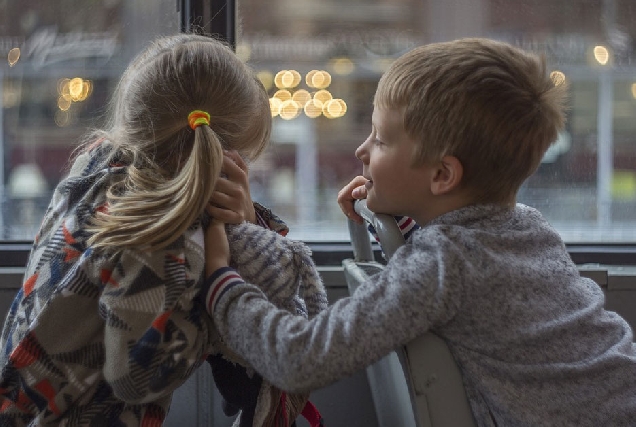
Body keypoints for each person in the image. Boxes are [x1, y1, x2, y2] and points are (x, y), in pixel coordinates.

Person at [200, 37, 636, 426]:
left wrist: (223, 281)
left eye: (380, 139)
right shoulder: (526, 226)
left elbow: (299, 358)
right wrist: (405, 219)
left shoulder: (439, 268)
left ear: (443, 175)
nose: (361, 150)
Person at [0, 33, 320, 426]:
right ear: (223, 166)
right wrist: (213, 306)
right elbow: (135, 379)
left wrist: (245, 220)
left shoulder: (95, 165)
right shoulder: (163, 233)